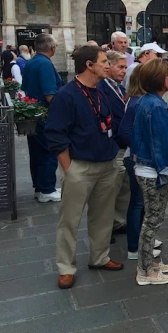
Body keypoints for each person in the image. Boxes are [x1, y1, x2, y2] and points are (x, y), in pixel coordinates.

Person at [44, 46, 124, 289]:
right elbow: (55, 134)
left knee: (103, 215)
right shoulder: (67, 95)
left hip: (106, 163)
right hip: (80, 166)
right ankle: (66, 267)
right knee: (69, 219)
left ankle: (99, 257)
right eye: (103, 62)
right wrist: (69, 169)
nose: (108, 65)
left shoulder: (100, 91)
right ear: (89, 65)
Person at [131, 59, 168, 285]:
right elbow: (160, 145)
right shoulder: (155, 106)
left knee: (153, 219)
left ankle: (150, 264)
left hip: (150, 169)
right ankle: (145, 271)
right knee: (152, 221)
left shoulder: (149, 102)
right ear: (158, 79)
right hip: (153, 171)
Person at [117, 65, 155, 261]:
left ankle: (139, 242)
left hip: (137, 157)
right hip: (137, 159)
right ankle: (134, 247)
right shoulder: (137, 103)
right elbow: (124, 132)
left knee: (140, 203)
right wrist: (143, 148)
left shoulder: (137, 100)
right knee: (138, 203)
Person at [23, 33, 63, 202]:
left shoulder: (31, 62)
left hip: (33, 113)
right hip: (45, 114)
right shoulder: (45, 64)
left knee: (37, 152)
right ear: (52, 48)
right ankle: (47, 189)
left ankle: (40, 187)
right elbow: (49, 94)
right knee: (48, 151)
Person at [97, 51, 129, 238]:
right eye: (120, 67)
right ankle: (105, 229)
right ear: (109, 67)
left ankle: (117, 221)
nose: (124, 71)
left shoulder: (120, 87)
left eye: (125, 67)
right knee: (110, 191)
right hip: (113, 145)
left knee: (123, 188)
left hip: (122, 145)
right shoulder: (102, 88)